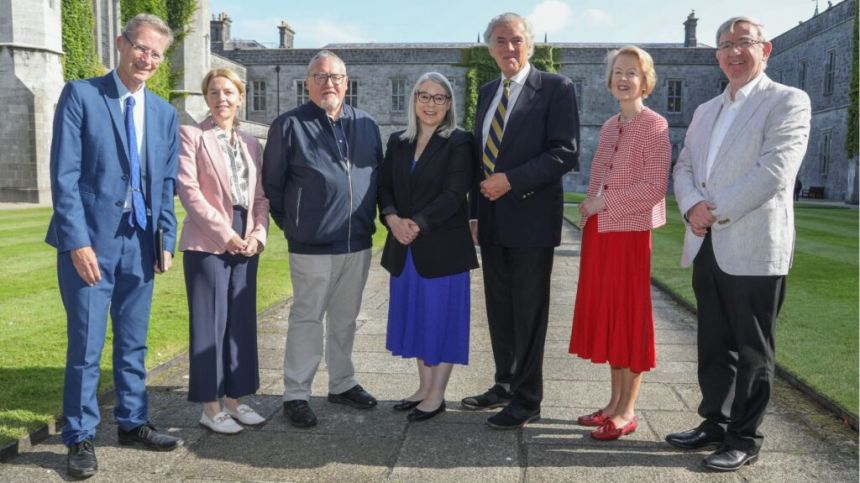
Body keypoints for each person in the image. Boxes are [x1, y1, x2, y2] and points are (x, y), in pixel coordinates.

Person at [667, 16, 811, 472]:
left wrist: (713, 209)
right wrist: (692, 205)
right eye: (725, 44)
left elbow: (774, 172)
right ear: (716, 56)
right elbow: (684, 165)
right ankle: (715, 422)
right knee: (713, 342)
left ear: (764, 50)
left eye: (744, 43)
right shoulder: (706, 110)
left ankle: (744, 438)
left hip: (752, 243)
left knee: (752, 349)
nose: (734, 51)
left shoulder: (788, 101)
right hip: (706, 241)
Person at [45, 13, 183, 479]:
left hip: (141, 243)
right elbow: (63, 178)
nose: (147, 59)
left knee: (132, 342)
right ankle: (80, 435)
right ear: (122, 45)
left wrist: (166, 236)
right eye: (141, 48)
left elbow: (165, 182)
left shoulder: (164, 112)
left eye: (156, 54)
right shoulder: (82, 95)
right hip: (90, 244)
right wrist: (76, 242)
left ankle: (132, 422)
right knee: (85, 345)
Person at [462, 12, 579, 429]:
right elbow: (480, 158)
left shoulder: (555, 88)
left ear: (528, 44)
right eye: (499, 41)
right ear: (489, 46)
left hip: (530, 218)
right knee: (499, 308)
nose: (508, 48)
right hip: (491, 220)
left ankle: (528, 398)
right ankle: (505, 382)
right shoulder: (490, 89)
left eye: (515, 40)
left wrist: (510, 181)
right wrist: (475, 212)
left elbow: (564, 152)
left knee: (529, 311)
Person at [262, 50, 382, 428]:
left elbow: (375, 178)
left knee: (346, 319)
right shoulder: (288, 125)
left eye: (335, 77)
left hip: (357, 241)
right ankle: (296, 393)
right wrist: (296, 227)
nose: (328, 83)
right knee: (307, 318)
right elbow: (273, 186)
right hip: (312, 245)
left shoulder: (366, 124)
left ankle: (342, 382)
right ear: (308, 83)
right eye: (320, 76)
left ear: (347, 83)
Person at [568, 46, 671, 440]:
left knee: (629, 319)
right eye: (618, 72)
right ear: (610, 81)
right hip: (601, 233)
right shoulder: (610, 125)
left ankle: (627, 411)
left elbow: (653, 188)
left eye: (633, 72)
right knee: (610, 318)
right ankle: (612, 403)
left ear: (646, 81)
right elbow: (600, 175)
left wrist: (603, 201)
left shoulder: (656, 126)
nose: (624, 79)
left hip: (630, 235)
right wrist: (590, 205)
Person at [379, 72, 478, 422]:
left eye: (439, 97)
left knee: (442, 321)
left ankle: (437, 395)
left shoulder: (459, 141)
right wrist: (392, 220)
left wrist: (417, 224)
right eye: (424, 96)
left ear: (449, 103)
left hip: (443, 249)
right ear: (414, 100)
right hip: (404, 248)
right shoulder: (398, 141)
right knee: (420, 319)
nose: (430, 103)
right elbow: (385, 187)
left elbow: (454, 195)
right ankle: (423, 388)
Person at [177, 68, 269, 434]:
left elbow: (260, 196)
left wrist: (258, 234)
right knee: (209, 325)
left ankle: (235, 400)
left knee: (240, 323)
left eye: (229, 92)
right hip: (208, 240)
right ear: (206, 98)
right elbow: (189, 191)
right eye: (214, 92)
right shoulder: (191, 136)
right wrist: (226, 233)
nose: (222, 98)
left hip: (246, 236)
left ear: (240, 97)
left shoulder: (250, 143)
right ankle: (210, 406)